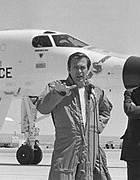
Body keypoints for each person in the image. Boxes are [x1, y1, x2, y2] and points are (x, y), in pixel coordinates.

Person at [36, 52, 113, 180]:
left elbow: (106, 109)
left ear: (88, 70)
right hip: (66, 146)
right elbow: (42, 107)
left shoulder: (95, 92)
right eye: (75, 67)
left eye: (82, 68)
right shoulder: (57, 87)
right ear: (69, 69)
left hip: (89, 147)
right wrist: (58, 94)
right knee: (62, 175)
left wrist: (96, 127)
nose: (79, 71)